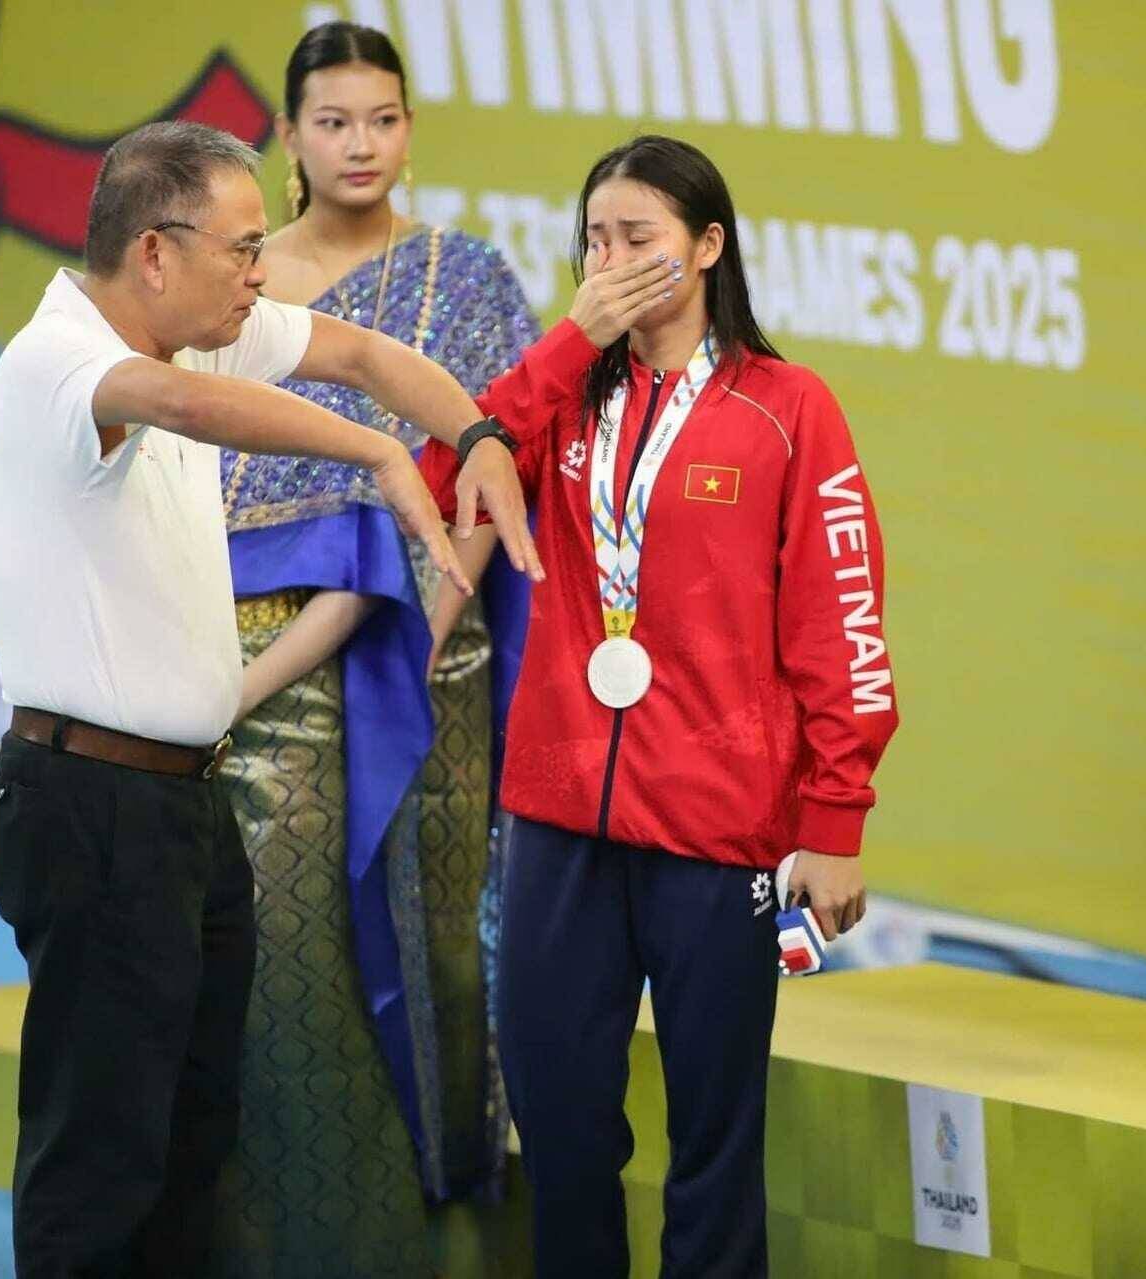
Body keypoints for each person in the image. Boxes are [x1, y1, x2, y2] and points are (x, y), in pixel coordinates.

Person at [0, 119, 535, 1279]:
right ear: (154, 252)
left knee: (195, 1137)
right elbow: (182, 408)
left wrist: (474, 434)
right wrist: (379, 457)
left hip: (191, 803)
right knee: (100, 1154)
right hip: (91, 804)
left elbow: (369, 359)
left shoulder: (200, 334)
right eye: (241, 249)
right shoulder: (60, 361)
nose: (261, 273)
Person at [419, 134, 901, 1278]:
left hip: (716, 833)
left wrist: (835, 818)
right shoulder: (560, 400)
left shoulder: (789, 410)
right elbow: (445, 491)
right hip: (559, 824)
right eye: (595, 240)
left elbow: (841, 626)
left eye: (639, 237)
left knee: (714, 1153)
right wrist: (564, 345)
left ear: (709, 246)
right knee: (562, 1132)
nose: (613, 260)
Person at [203, 22, 542, 1277]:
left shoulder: (467, 279)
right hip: (255, 666)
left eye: (384, 119)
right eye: (334, 121)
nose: (362, 144)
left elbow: (496, 471)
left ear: (410, 129)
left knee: (438, 942)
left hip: (430, 661)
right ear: (287, 135)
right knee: (282, 952)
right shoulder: (234, 285)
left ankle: (452, 1230)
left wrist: (427, 617)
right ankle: (290, 1235)